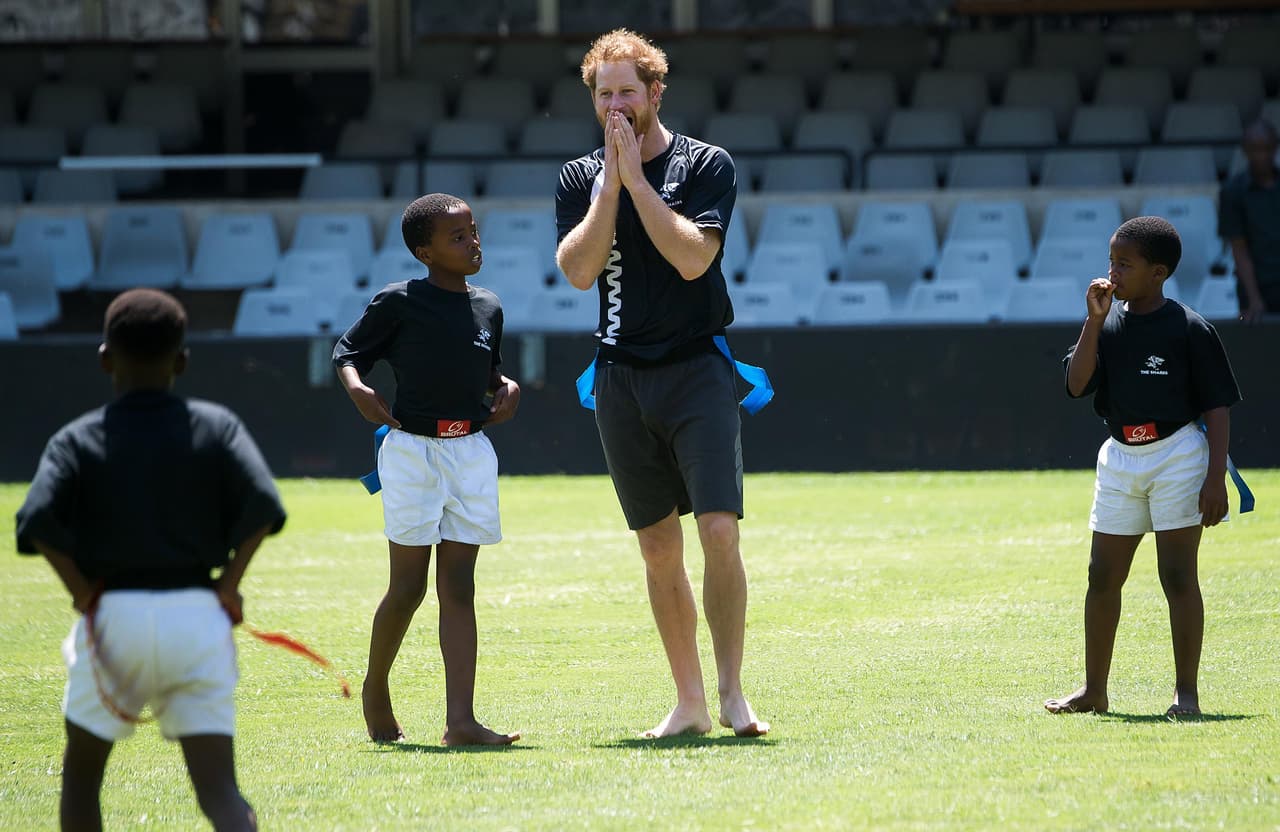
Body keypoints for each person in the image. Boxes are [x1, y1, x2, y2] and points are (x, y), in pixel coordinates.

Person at [555, 28, 768, 739]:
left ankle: (734, 692)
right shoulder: (578, 179)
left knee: (717, 530)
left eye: (627, 91)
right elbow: (579, 271)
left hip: (698, 369)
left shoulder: (707, 164)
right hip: (619, 378)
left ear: (655, 92)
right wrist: (609, 187)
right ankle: (690, 702)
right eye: (604, 93)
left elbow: (690, 261)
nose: (616, 105)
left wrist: (638, 183)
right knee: (655, 547)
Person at [14, 288, 287, 832]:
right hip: (197, 616)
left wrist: (79, 589)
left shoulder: (76, 438)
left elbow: (36, 521)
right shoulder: (217, 425)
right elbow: (263, 506)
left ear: (104, 358)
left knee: (82, 784)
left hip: (111, 618)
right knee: (220, 794)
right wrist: (229, 585)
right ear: (182, 360)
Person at [334, 193, 521, 746]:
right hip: (411, 452)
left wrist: (504, 387)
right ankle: (376, 686)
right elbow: (347, 353)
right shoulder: (398, 302)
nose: (473, 242)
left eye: (473, 232)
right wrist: (359, 391)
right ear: (424, 251)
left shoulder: (489, 305)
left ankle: (460, 722)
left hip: (471, 453)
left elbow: (487, 373)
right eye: (457, 237)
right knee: (408, 587)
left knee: (458, 586)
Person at [1045, 216, 1242, 718]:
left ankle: (1187, 694)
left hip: (1176, 453)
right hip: (1118, 457)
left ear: (1158, 273)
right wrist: (1092, 320)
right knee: (1101, 575)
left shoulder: (1191, 328)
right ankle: (1094, 692)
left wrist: (1214, 477)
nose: (1113, 271)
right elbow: (1075, 385)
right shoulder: (1106, 322)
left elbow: (1217, 406)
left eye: (1124, 264)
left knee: (1177, 576)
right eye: (1112, 260)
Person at [1218, 118, 1280, 323]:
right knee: (1256, 350)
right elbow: (1239, 248)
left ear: (1275, 148)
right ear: (1245, 150)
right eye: (1255, 149)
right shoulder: (1233, 192)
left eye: (1266, 149)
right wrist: (1254, 299)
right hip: (1255, 288)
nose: (1261, 155)